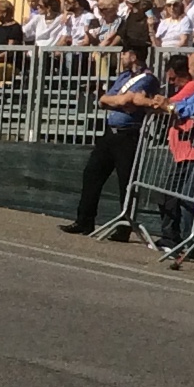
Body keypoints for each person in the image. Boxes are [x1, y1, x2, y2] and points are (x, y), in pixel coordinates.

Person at [63, 33, 163, 237]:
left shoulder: (148, 79)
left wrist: (115, 100)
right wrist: (114, 100)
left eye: (124, 53)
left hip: (129, 135)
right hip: (110, 133)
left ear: (133, 56)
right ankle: (84, 221)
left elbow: (126, 101)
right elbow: (106, 100)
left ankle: (124, 227)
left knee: (126, 182)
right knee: (92, 174)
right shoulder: (124, 77)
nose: (122, 57)